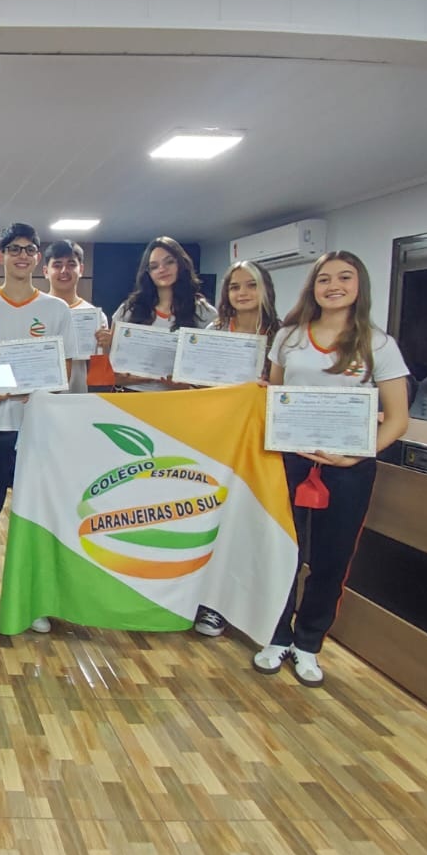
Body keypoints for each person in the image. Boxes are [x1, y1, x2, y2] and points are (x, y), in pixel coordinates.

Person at [253, 251, 409, 687]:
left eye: (345, 277)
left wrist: (357, 454)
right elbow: (275, 397)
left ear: (360, 286)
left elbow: (398, 419)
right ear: (313, 287)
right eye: (324, 279)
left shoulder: (378, 344)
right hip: (288, 462)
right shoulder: (288, 337)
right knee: (284, 552)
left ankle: (308, 643)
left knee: (331, 558)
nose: (334, 286)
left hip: (347, 469)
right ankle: (276, 635)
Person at [0, 223, 71, 631]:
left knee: (35, 518)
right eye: (14, 249)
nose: (22, 256)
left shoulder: (56, 310)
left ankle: (31, 596)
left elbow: (61, 368)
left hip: (37, 429)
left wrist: (34, 386)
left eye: (29, 249)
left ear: (38, 257)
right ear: (1, 256)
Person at [194, 259, 281, 639]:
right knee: (212, 519)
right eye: (234, 286)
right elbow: (196, 385)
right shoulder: (214, 332)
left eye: (251, 285)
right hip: (217, 440)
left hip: (262, 446)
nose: (242, 293)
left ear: (266, 289)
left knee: (248, 523)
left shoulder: (283, 336)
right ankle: (208, 602)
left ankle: (247, 604)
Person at [97, 236, 217, 390]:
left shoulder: (204, 313)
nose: (162, 269)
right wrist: (106, 345)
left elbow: (211, 376)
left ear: (181, 264)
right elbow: (108, 374)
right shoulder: (130, 309)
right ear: (147, 273)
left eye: (169, 262)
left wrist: (184, 385)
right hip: (130, 397)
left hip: (180, 400)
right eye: (154, 266)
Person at [41, 239, 109, 394]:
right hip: (40, 396)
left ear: (81, 269)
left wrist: (105, 347)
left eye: (71, 264)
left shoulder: (96, 316)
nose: (64, 270)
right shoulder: (35, 311)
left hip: (78, 396)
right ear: (45, 271)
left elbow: (100, 373)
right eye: (57, 265)